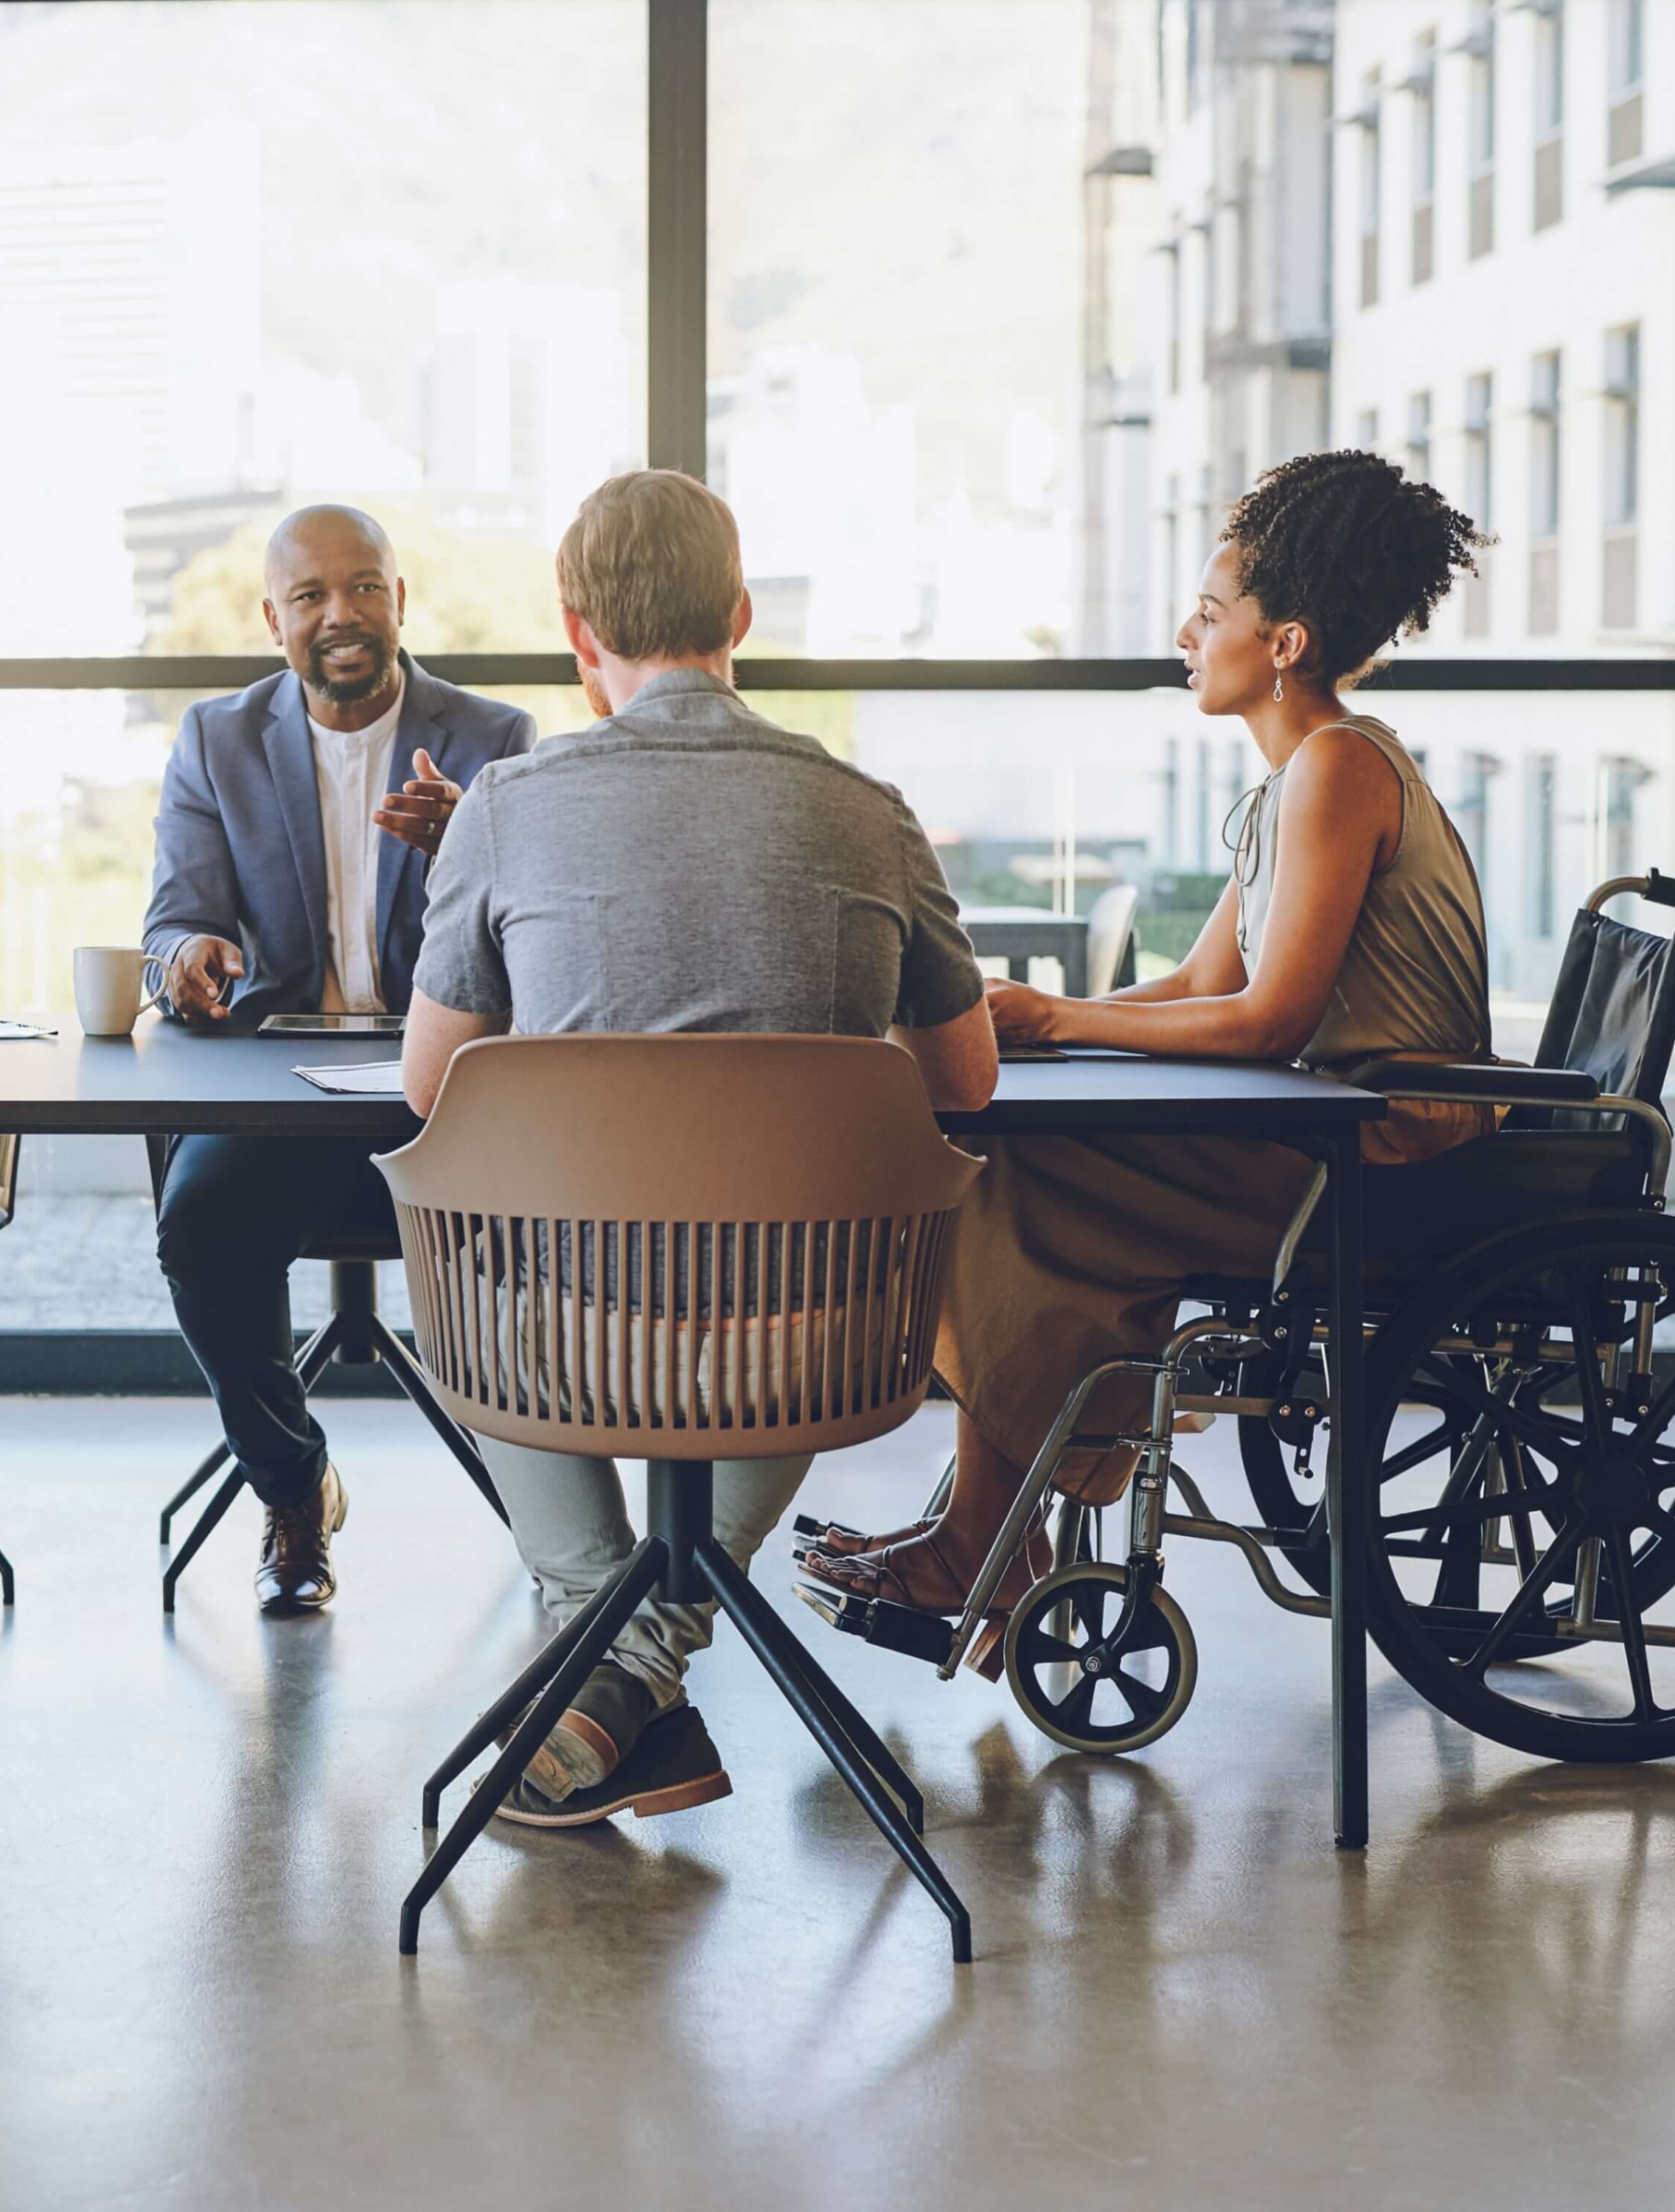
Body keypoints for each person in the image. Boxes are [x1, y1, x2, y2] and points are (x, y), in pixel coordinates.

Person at [800, 447, 1493, 1653]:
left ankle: (987, 1541)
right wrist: (1040, 1017)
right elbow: (1196, 987)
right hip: (1330, 1130)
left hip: (1383, 1154)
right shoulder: (1296, 780)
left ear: (1283, 643)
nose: (1188, 630)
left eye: (1214, 613)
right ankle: (988, 1533)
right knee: (1008, 1148)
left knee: (1008, 1168)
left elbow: (1271, 1019)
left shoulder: (1338, 767)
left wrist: (1061, 1022)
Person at [399, 469, 998, 1828]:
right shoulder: (871, 810)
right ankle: (634, 1672)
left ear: (575, 635)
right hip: (817, 1339)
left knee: (462, 1212)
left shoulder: (505, 807)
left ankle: (599, 1639)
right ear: (739, 613)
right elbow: (966, 1079)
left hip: (562, 1340)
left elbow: (432, 1086)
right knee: (807, 1243)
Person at [142, 504, 539, 1615]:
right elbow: (170, 923)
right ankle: (292, 1486)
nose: (342, 616)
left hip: (447, 1091)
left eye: (364, 587)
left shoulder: (495, 740)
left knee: (546, 1220)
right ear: (275, 621)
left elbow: (550, 939)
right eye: (312, 597)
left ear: (402, 601)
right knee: (199, 1222)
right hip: (282, 1094)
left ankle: (559, 1512)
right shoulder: (217, 741)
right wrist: (188, 958)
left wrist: (472, 842)